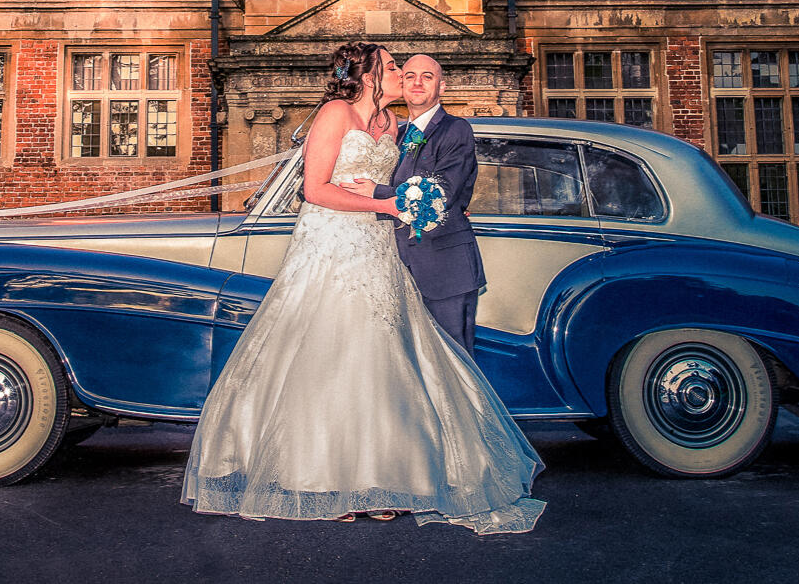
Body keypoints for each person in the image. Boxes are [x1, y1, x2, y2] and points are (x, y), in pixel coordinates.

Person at [181, 42, 544, 533]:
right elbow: (315, 189)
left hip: (379, 250)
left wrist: (402, 202)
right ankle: (320, 480)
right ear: (370, 75)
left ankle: (379, 479)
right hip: (332, 244)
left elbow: (425, 184)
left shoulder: (394, 126)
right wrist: (387, 206)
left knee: (379, 362)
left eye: (414, 71)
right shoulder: (336, 113)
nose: (402, 74)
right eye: (394, 67)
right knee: (326, 355)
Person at [354, 54, 485, 353]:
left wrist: (376, 192)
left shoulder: (456, 129)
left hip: (445, 268)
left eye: (427, 76)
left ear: (442, 86)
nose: (417, 82)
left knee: (453, 358)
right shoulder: (396, 135)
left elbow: (441, 193)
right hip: (395, 266)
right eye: (410, 76)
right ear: (401, 84)